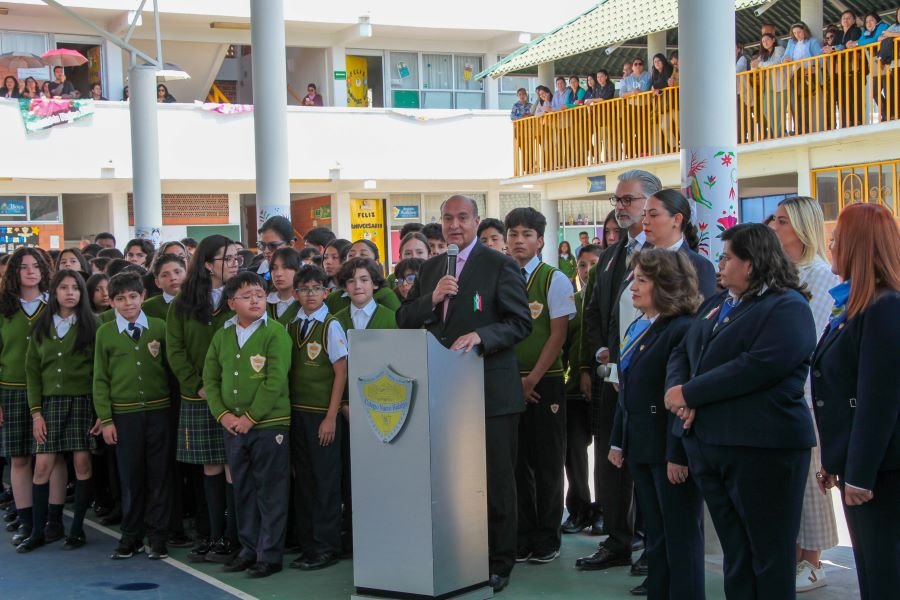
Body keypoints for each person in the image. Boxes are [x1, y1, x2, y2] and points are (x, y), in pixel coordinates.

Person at [665, 223, 817, 598]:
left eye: (728, 257)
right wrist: (678, 391)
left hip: (764, 447)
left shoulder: (787, 306)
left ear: (751, 263)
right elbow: (682, 351)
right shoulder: (718, 303)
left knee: (769, 554)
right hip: (713, 445)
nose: (720, 264)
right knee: (737, 553)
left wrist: (691, 393)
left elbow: (758, 366)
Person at [396, 195, 531, 593]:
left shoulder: (500, 264)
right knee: (452, 482)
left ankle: (499, 561)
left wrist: (481, 336)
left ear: (476, 220)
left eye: (462, 217)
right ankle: (459, 553)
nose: (454, 225)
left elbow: (519, 322)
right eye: (448, 218)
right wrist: (432, 298)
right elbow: (405, 318)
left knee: (496, 479)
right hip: (443, 394)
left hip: (491, 391)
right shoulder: (432, 268)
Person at [811, 203, 900, 600]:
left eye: (837, 239)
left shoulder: (886, 307)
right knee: (872, 572)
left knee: (884, 573)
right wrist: (835, 462)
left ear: (858, 246)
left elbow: (877, 401)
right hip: (861, 464)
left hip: (883, 470)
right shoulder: (856, 306)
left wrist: (860, 473)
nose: (830, 245)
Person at [608, 249, 706, 599]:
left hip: (669, 448)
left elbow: (682, 401)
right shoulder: (640, 326)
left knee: (680, 535)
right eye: (633, 279)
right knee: (656, 535)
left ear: (665, 284)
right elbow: (627, 389)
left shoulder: (683, 328)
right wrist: (618, 440)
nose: (633, 287)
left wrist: (677, 453)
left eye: (642, 280)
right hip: (642, 445)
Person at [578, 170, 661, 572]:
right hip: (611, 376)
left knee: (647, 461)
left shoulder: (665, 254)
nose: (621, 207)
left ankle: (650, 544)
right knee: (609, 460)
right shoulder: (611, 256)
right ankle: (616, 540)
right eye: (618, 200)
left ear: (651, 203)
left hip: (650, 379)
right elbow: (594, 311)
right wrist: (600, 352)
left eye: (629, 200)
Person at [766, 196, 840, 592]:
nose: (774, 227)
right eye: (775, 220)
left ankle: (812, 562)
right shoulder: (780, 276)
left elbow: (813, 342)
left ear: (801, 227)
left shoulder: (822, 277)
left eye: (782, 221)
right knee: (786, 483)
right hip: (778, 394)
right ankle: (793, 557)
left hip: (807, 394)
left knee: (811, 483)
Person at [203, 271, 292, 578]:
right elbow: (210, 379)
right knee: (243, 490)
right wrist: (223, 415)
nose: (255, 300)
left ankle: (270, 555)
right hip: (233, 426)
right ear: (231, 303)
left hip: (269, 425)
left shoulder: (275, 333)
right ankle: (248, 549)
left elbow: (274, 380)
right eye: (246, 296)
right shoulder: (223, 335)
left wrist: (250, 417)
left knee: (271, 491)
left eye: (259, 294)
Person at [505, 208, 576, 566]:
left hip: (544, 382)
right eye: (513, 234)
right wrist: (514, 381)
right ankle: (522, 535)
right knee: (515, 463)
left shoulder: (554, 280)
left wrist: (531, 379)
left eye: (526, 234)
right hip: (507, 381)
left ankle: (548, 537)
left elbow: (558, 335)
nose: (519, 240)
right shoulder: (500, 278)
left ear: (540, 241)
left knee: (548, 461)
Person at [167, 235, 242, 563]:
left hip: (233, 398)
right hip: (198, 396)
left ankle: (234, 537)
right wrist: (197, 385)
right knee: (210, 466)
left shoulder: (238, 297)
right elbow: (175, 349)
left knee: (232, 466)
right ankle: (213, 534)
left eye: (237, 258)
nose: (234, 264)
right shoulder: (183, 303)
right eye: (228, 259)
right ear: (209, 264)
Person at [93, 271, 172, 560]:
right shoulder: (105, 333)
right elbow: (100, 379)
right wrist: (106, 419)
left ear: (143, 296)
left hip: (158, 412)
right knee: (130, 478)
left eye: (133, 296)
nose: (128, 303)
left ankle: (158, 536)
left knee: (159, 476)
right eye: (120, 298)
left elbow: (170, 369)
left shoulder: (159, 327)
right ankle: (131, 536)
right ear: (111, 302)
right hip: (124, 416)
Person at [20, 270, 99, 553]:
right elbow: (32, 372)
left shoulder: (93, 325)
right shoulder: (42, 325)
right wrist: (36, 413)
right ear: (54, 292)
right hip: (50, 405)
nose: (70, 293)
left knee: (82, 463)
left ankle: (77, 530)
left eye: (75, 288)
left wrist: (100, 412)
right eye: (64, 287)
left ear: (82, 293)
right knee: (42, 465)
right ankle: (37, 531)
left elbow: (99, 371)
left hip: (82, 402)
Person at [286, 265, 348, 571]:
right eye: (304, 289)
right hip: (296, 414)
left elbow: (341, 373)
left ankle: (326, 546)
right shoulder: (291, 325)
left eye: (316, 289)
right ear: (295, 294)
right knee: (305, 480)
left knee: (325, 481)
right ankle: (308, 544)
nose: (310, 294)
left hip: (321, 416)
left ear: (327, 292)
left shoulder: (331, 326)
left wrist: (331, 417)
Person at [0, 249, 52, 548]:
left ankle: (51, 520)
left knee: (50, 457)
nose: (31, 271)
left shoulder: (54, 306)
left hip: (49, 391)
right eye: (23, 267)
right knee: (19, 458)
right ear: (13, 273)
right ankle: (26, 519)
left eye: (36, 266)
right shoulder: (4, 308)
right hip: (12, 389)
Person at [561, 244, 602, 535]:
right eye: (583, 265)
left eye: (594, 264)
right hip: (573, 389)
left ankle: (604, 509)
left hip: (603, 386)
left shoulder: (609, 300)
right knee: (574, 451)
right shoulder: (570, 303)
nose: (588, 271)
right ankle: (578, 509)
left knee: (606, 453)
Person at [639, 189, 717, 298]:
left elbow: (702, 307)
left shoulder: (700, 266)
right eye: (644, 214)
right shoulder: (640, 256)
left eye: (653, 215)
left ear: (677, 219)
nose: (645, 221)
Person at [325, 240, 401, 314]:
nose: (356, 258)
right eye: (351, 255)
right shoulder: (333, 298)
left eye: (363, 254)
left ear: (376, 262)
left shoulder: (385, 295)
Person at [784, 22, 823, 135]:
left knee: (804, 103)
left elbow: (820, 57)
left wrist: (813, 66)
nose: (797, 35)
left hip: (806, 74)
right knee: (794, 102)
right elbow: (784, 56)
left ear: (804, 31)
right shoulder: (791, 42)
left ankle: (804, 129)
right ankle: (798, 128)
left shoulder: (812, 41)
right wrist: (785, 60)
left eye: (799, 32)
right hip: (794, 74)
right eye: (795, 33)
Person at [754, 32, 787, 138]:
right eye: (763, 41)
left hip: (778, 83)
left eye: (767, 40)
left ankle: (780, 133)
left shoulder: (779, 49)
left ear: (773, 40)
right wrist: (756, 65)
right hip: (767, 85)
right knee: (766, 110)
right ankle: (776, 132)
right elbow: (753, 66)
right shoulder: (763, 55)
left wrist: (760, 64)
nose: (765, 43)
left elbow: (775, 62)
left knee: (778, 110)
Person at [142, 255, 186, 321]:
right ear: (157, 283)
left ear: (187, 274)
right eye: (165, 275)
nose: (173, 278)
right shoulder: (148, 306)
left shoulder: (200, 300)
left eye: (177, 272)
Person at [267, 247, 302, 326]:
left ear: (297, 270)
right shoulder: (264, 303)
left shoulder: (304, 302)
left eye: (285, 267)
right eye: (274, 268)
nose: (278, 274)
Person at [255, 216, 296, 283]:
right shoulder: (253, 274)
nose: (266, 251)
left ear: (291, 244)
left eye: (273, 245)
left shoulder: (307, 274)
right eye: (262, 245)